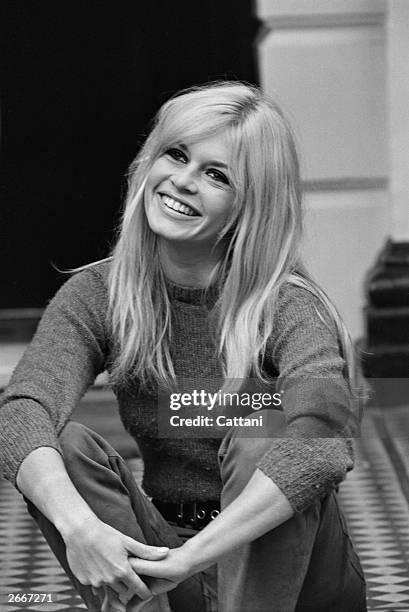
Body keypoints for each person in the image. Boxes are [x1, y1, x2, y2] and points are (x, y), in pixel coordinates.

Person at [0, 81, 366, 612]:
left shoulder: (287, 305)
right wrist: (78, 527)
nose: (184, 181)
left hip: (296, 575)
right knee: (66, 447)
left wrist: (191, 559)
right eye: (176, 154)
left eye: (217, 175)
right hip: (171, 561)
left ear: (251, 207)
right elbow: (22, 409)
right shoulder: (98, 295)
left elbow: (323, 437)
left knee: (267, 425)